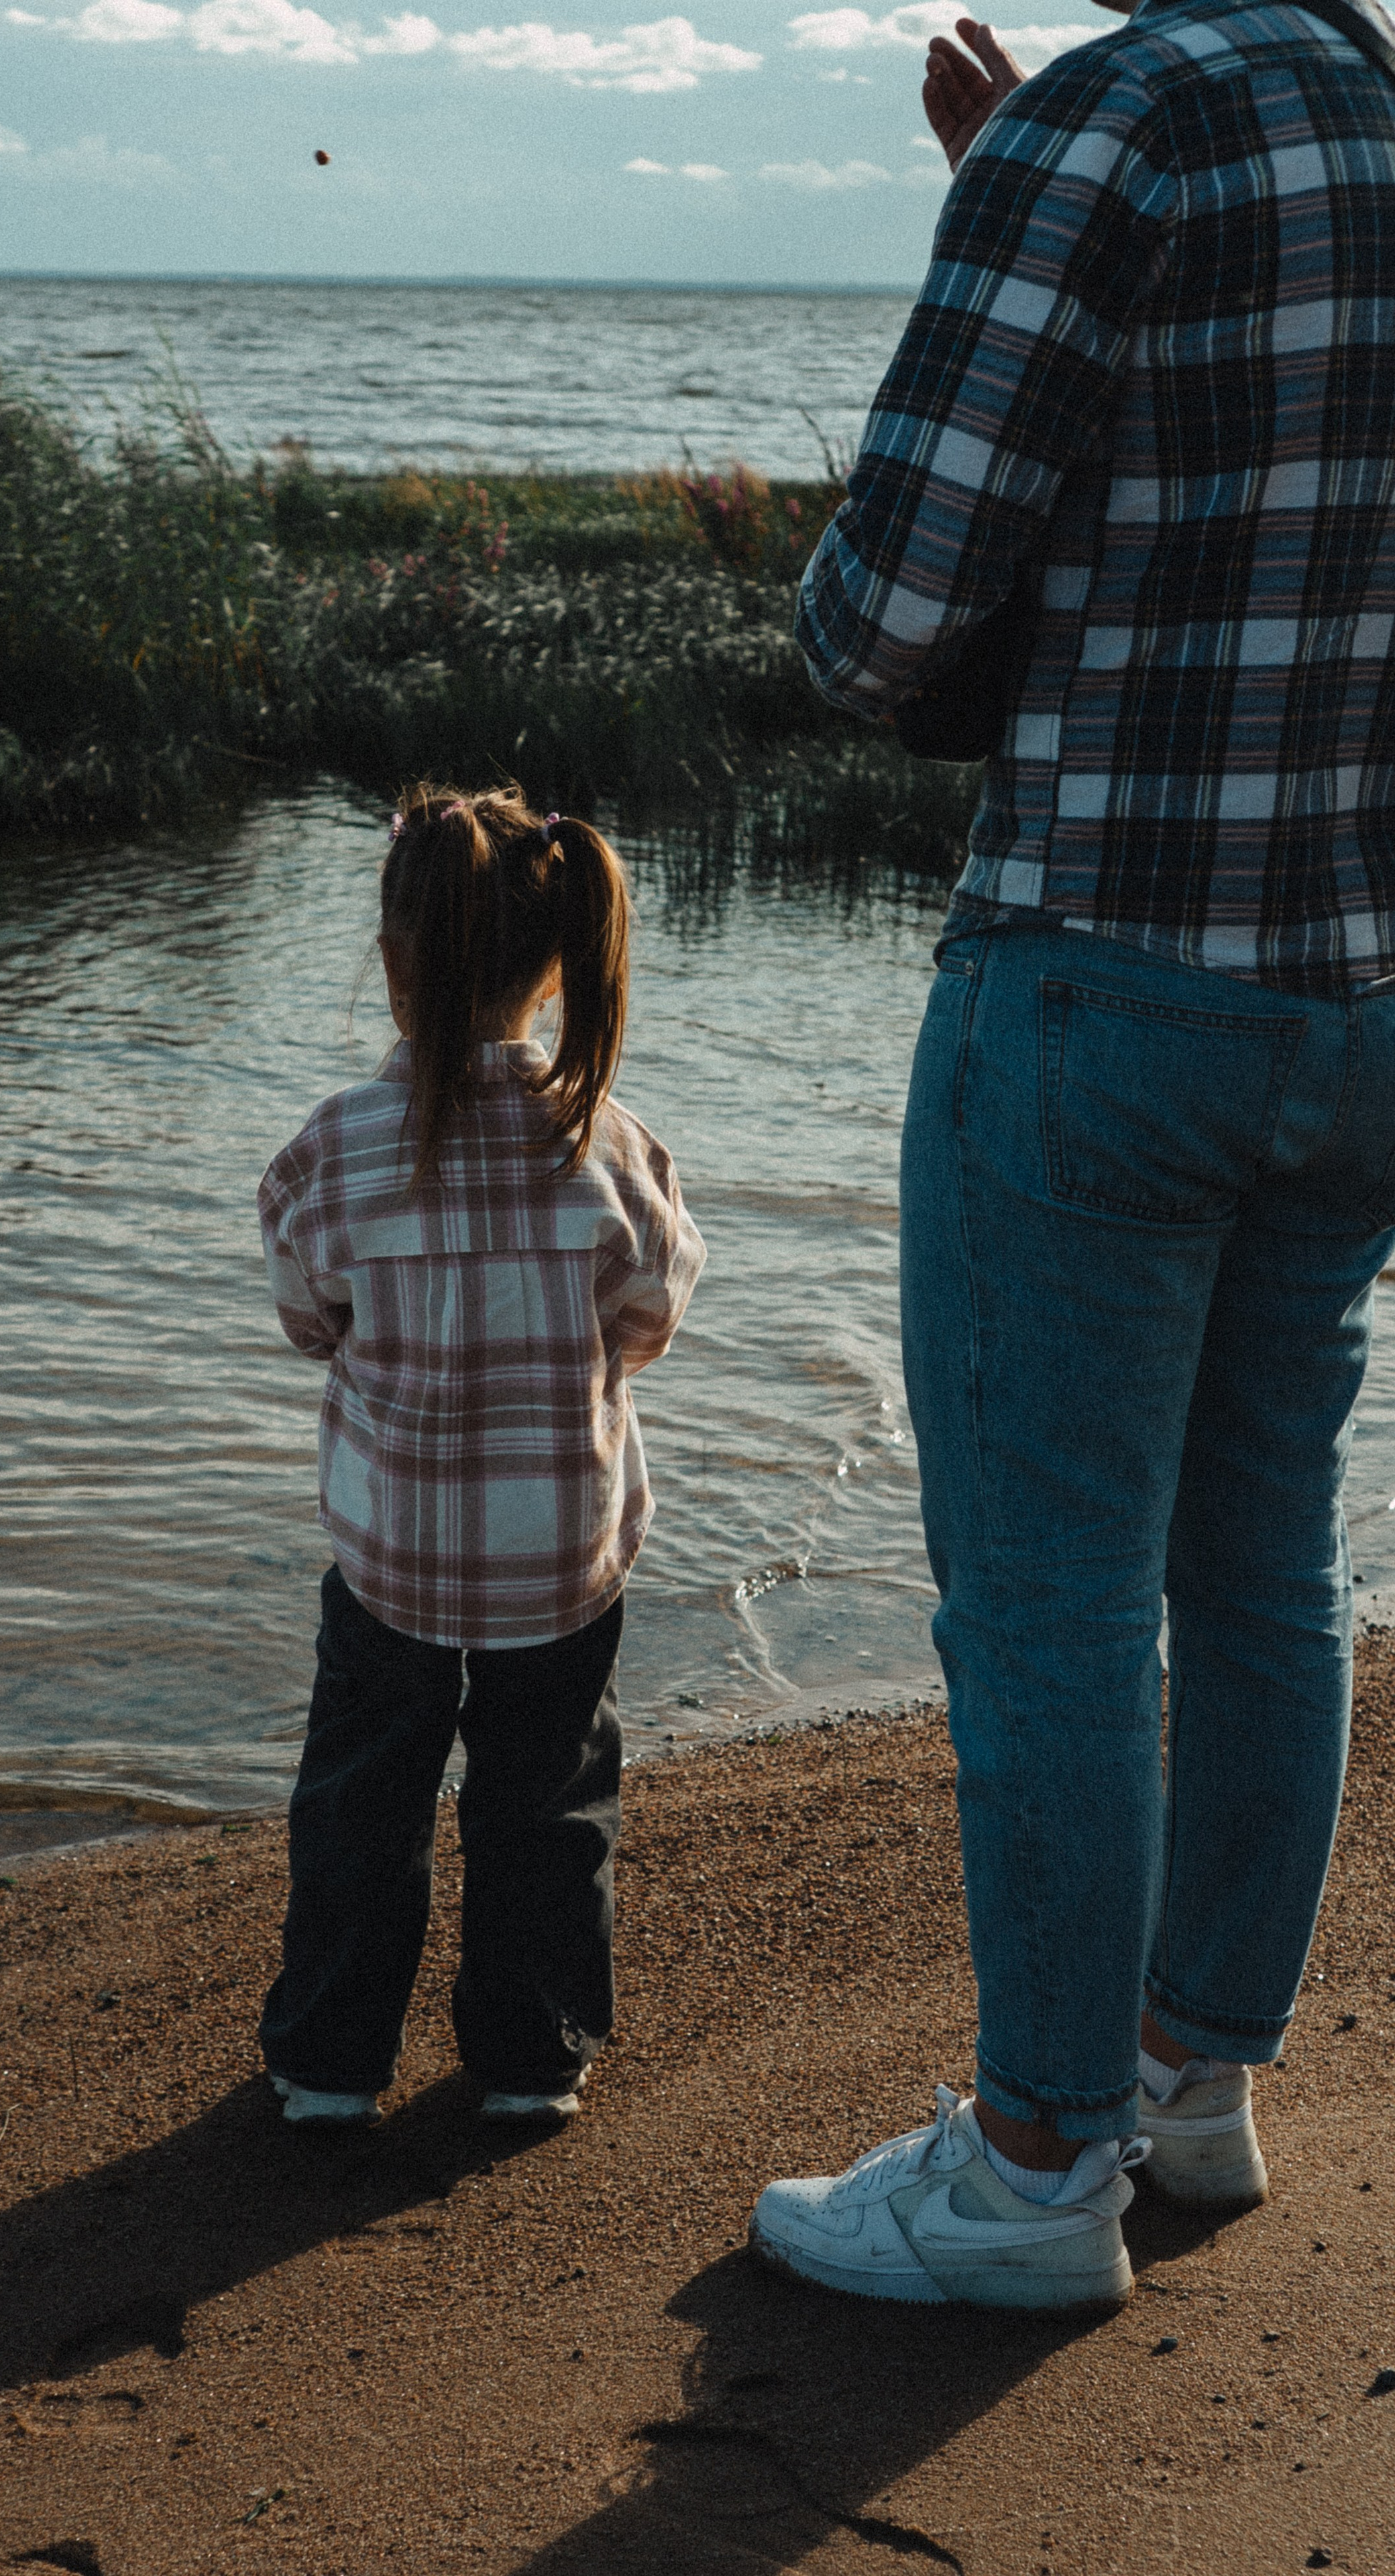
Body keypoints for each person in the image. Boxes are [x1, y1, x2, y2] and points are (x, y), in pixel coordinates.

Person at [752, 0, 1395, 2310]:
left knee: (1043, 1601)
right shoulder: (1371, 111)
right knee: (1260, 1571)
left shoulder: (1115, 116)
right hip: (1360, 999)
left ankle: (1034, 2173)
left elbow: (884, 616)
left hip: (1104, 973)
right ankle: (1182, 2089)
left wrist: (1006, 201)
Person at [257, 784, 705, 2127]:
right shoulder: (609, 1147)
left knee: (358, 1802)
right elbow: (648, 1321)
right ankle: (530, 2056)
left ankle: (328, 2068)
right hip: (559, 1559)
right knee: (546, 1804)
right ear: (557, 959)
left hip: (392, 1561)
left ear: (394, 962)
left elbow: (308, 1320)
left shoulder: (336, 1148)